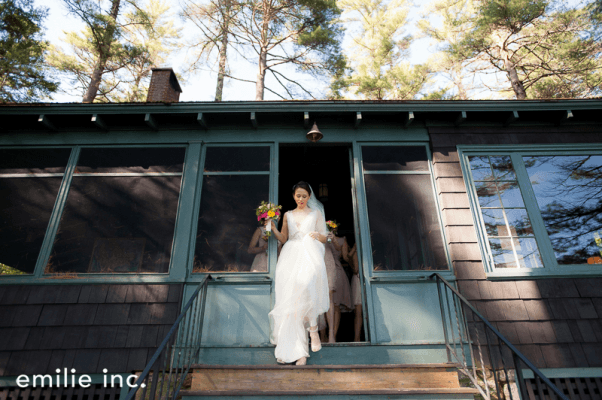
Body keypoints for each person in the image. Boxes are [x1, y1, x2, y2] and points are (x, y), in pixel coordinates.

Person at [268, 182, 330, 365]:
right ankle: (297, 352)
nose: (301, 199)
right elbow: (284, 238)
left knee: (307, 287)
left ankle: (313, 329)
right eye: (298, 196)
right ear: (293, 196)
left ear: (309, 197)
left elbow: (324, 237)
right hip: (290, 256)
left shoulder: (316, 213)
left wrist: (316, 236)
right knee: (290, 303)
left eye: (304, 196)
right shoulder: (287, 215)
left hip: (309, 255)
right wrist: (273, 228)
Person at [326, 230, 352, 341]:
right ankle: (326, 335)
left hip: (336, 271)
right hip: (324, 269)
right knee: (327, 304)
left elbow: (344, 257)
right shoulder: (323, 238)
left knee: (335, 304)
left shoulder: (342, 240)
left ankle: (333, 335)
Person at [343, 242, 363, 342]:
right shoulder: (354, 252)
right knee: (358, 311)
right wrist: (353, 250)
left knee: (360, 312)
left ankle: (358, 338)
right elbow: (355, 269)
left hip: (360, 279)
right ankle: (357, 338)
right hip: (358, 280)